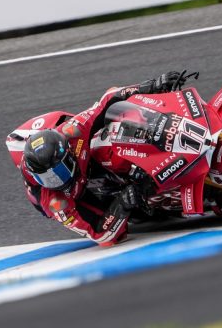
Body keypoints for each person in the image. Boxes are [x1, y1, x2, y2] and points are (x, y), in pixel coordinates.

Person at [19, 71, 195, 246]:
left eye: (60, 171)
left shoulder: (73, 133)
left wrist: (152, 85)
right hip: (80, 196)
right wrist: (122, 204)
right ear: (37, 178)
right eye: (47, 179)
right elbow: (100, 235)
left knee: (110, 134)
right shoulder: (56, 202)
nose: (57, 180)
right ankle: (140, 198)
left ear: (69, 154)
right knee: (117, 235)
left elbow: (108, 99)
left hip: (86, 162)